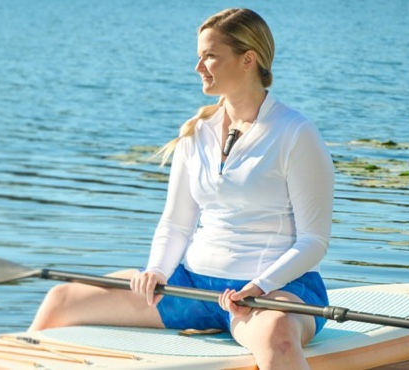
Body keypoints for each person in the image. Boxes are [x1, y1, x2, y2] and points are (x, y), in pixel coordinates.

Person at [27, 8, 334, 369]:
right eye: (199, 56)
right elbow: (176, 223)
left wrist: (260, 286)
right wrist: (157, 270)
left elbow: (314, 241)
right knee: (62, 299)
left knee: (277, 337)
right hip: (189, 286)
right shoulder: (196, 132)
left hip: (271, 294)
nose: (199, 67)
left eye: (210, 56)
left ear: (248, 59)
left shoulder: (295, 133)